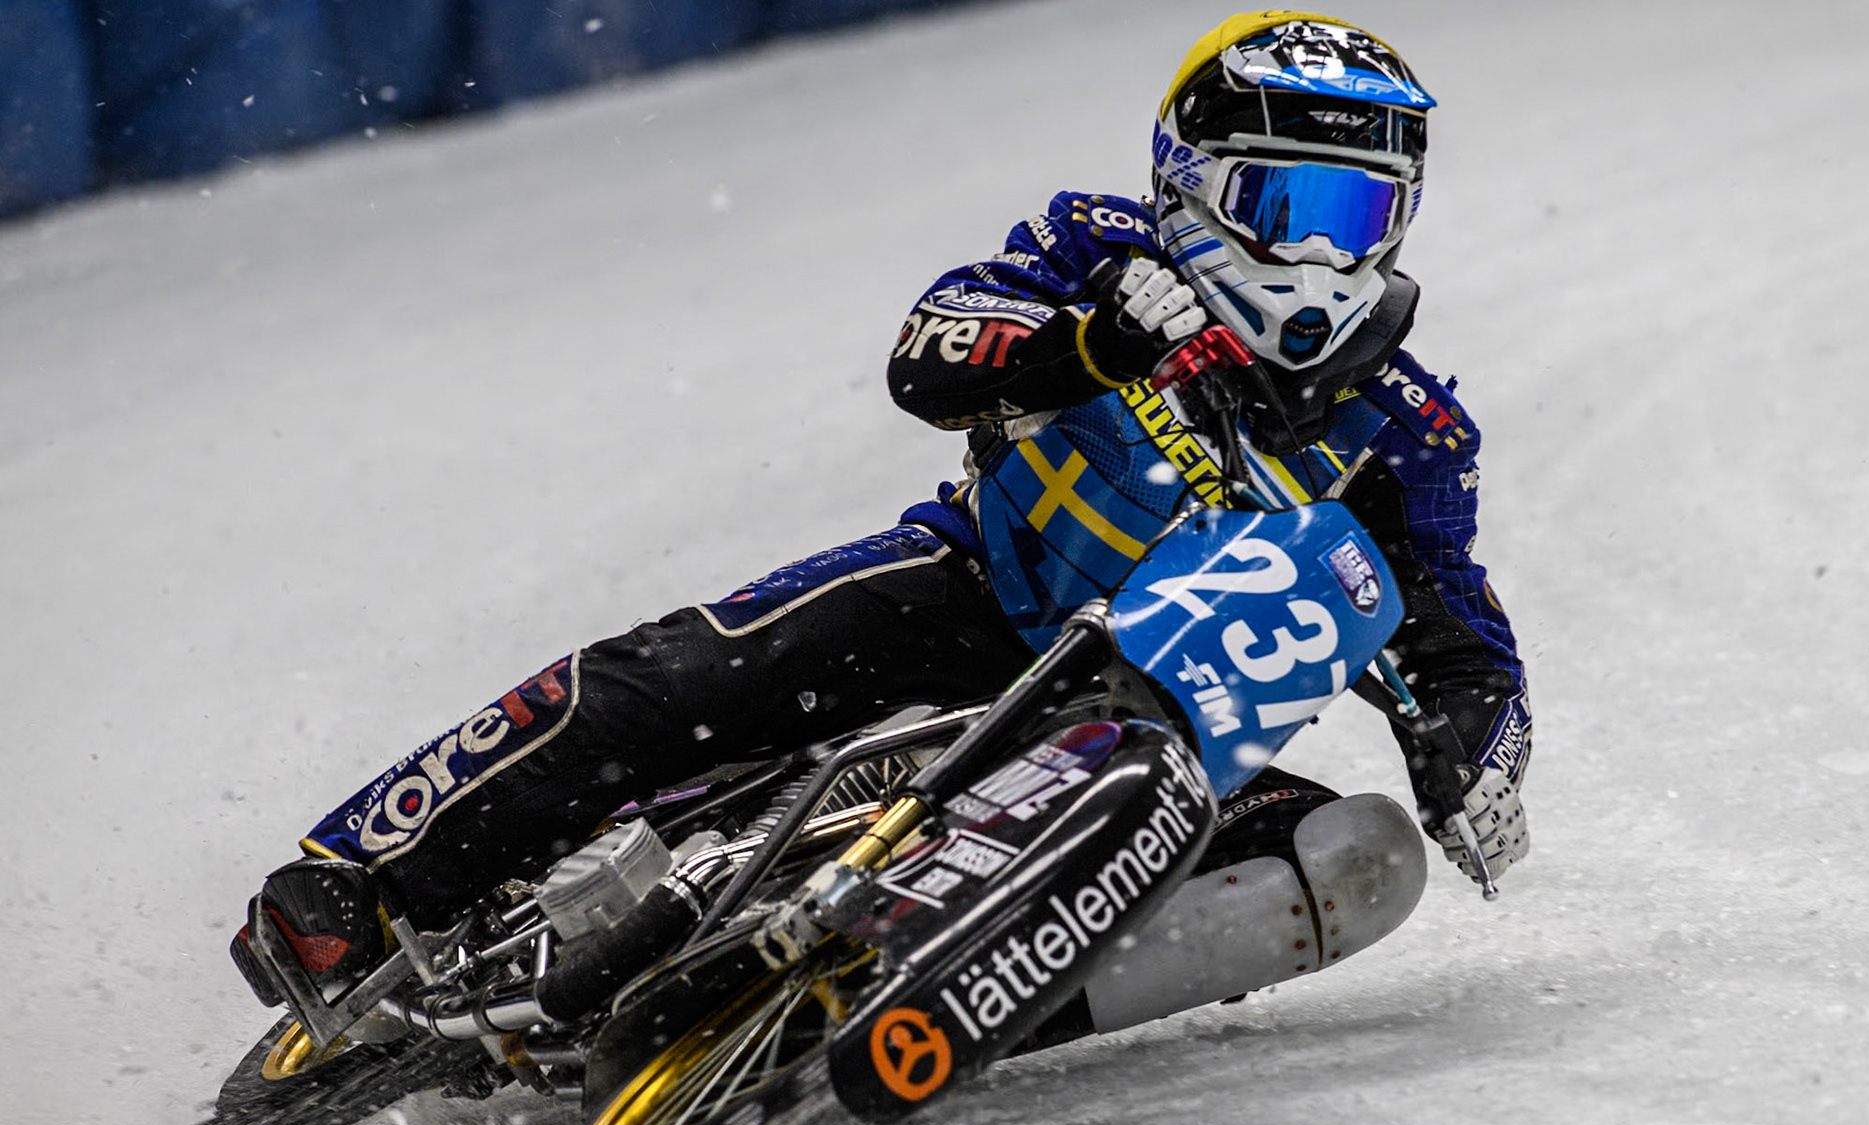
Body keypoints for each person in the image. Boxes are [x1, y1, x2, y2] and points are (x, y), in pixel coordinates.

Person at [233, 12, 1531, 1035]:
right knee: (694, 668)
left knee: (1352, 859)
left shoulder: (1412, 431)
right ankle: (365, 878)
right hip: (971, 596)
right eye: (1288, 212)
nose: (1317, 264)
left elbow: (1459, 629)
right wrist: (1085, 342)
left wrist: (1481, 750)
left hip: (1160, 730)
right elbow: (932, 351)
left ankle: (951, 1011)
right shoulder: (1099, 249)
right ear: (1195, 189)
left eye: (1354, 218)